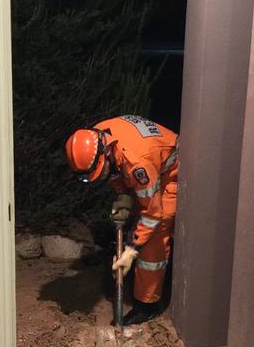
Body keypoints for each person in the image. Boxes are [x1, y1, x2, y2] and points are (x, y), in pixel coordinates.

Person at [65, 114, 178, 325]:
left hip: (169, 174)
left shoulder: (138, 164)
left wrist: (131, 249)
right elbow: (116, 170)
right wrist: (124, 197)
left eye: (95, 173)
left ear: (105, 152)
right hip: (148, 165)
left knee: (154, 238)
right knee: (138, 222)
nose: (95, 179)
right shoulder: (98, 136)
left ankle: (147, 306)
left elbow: (153, 214)